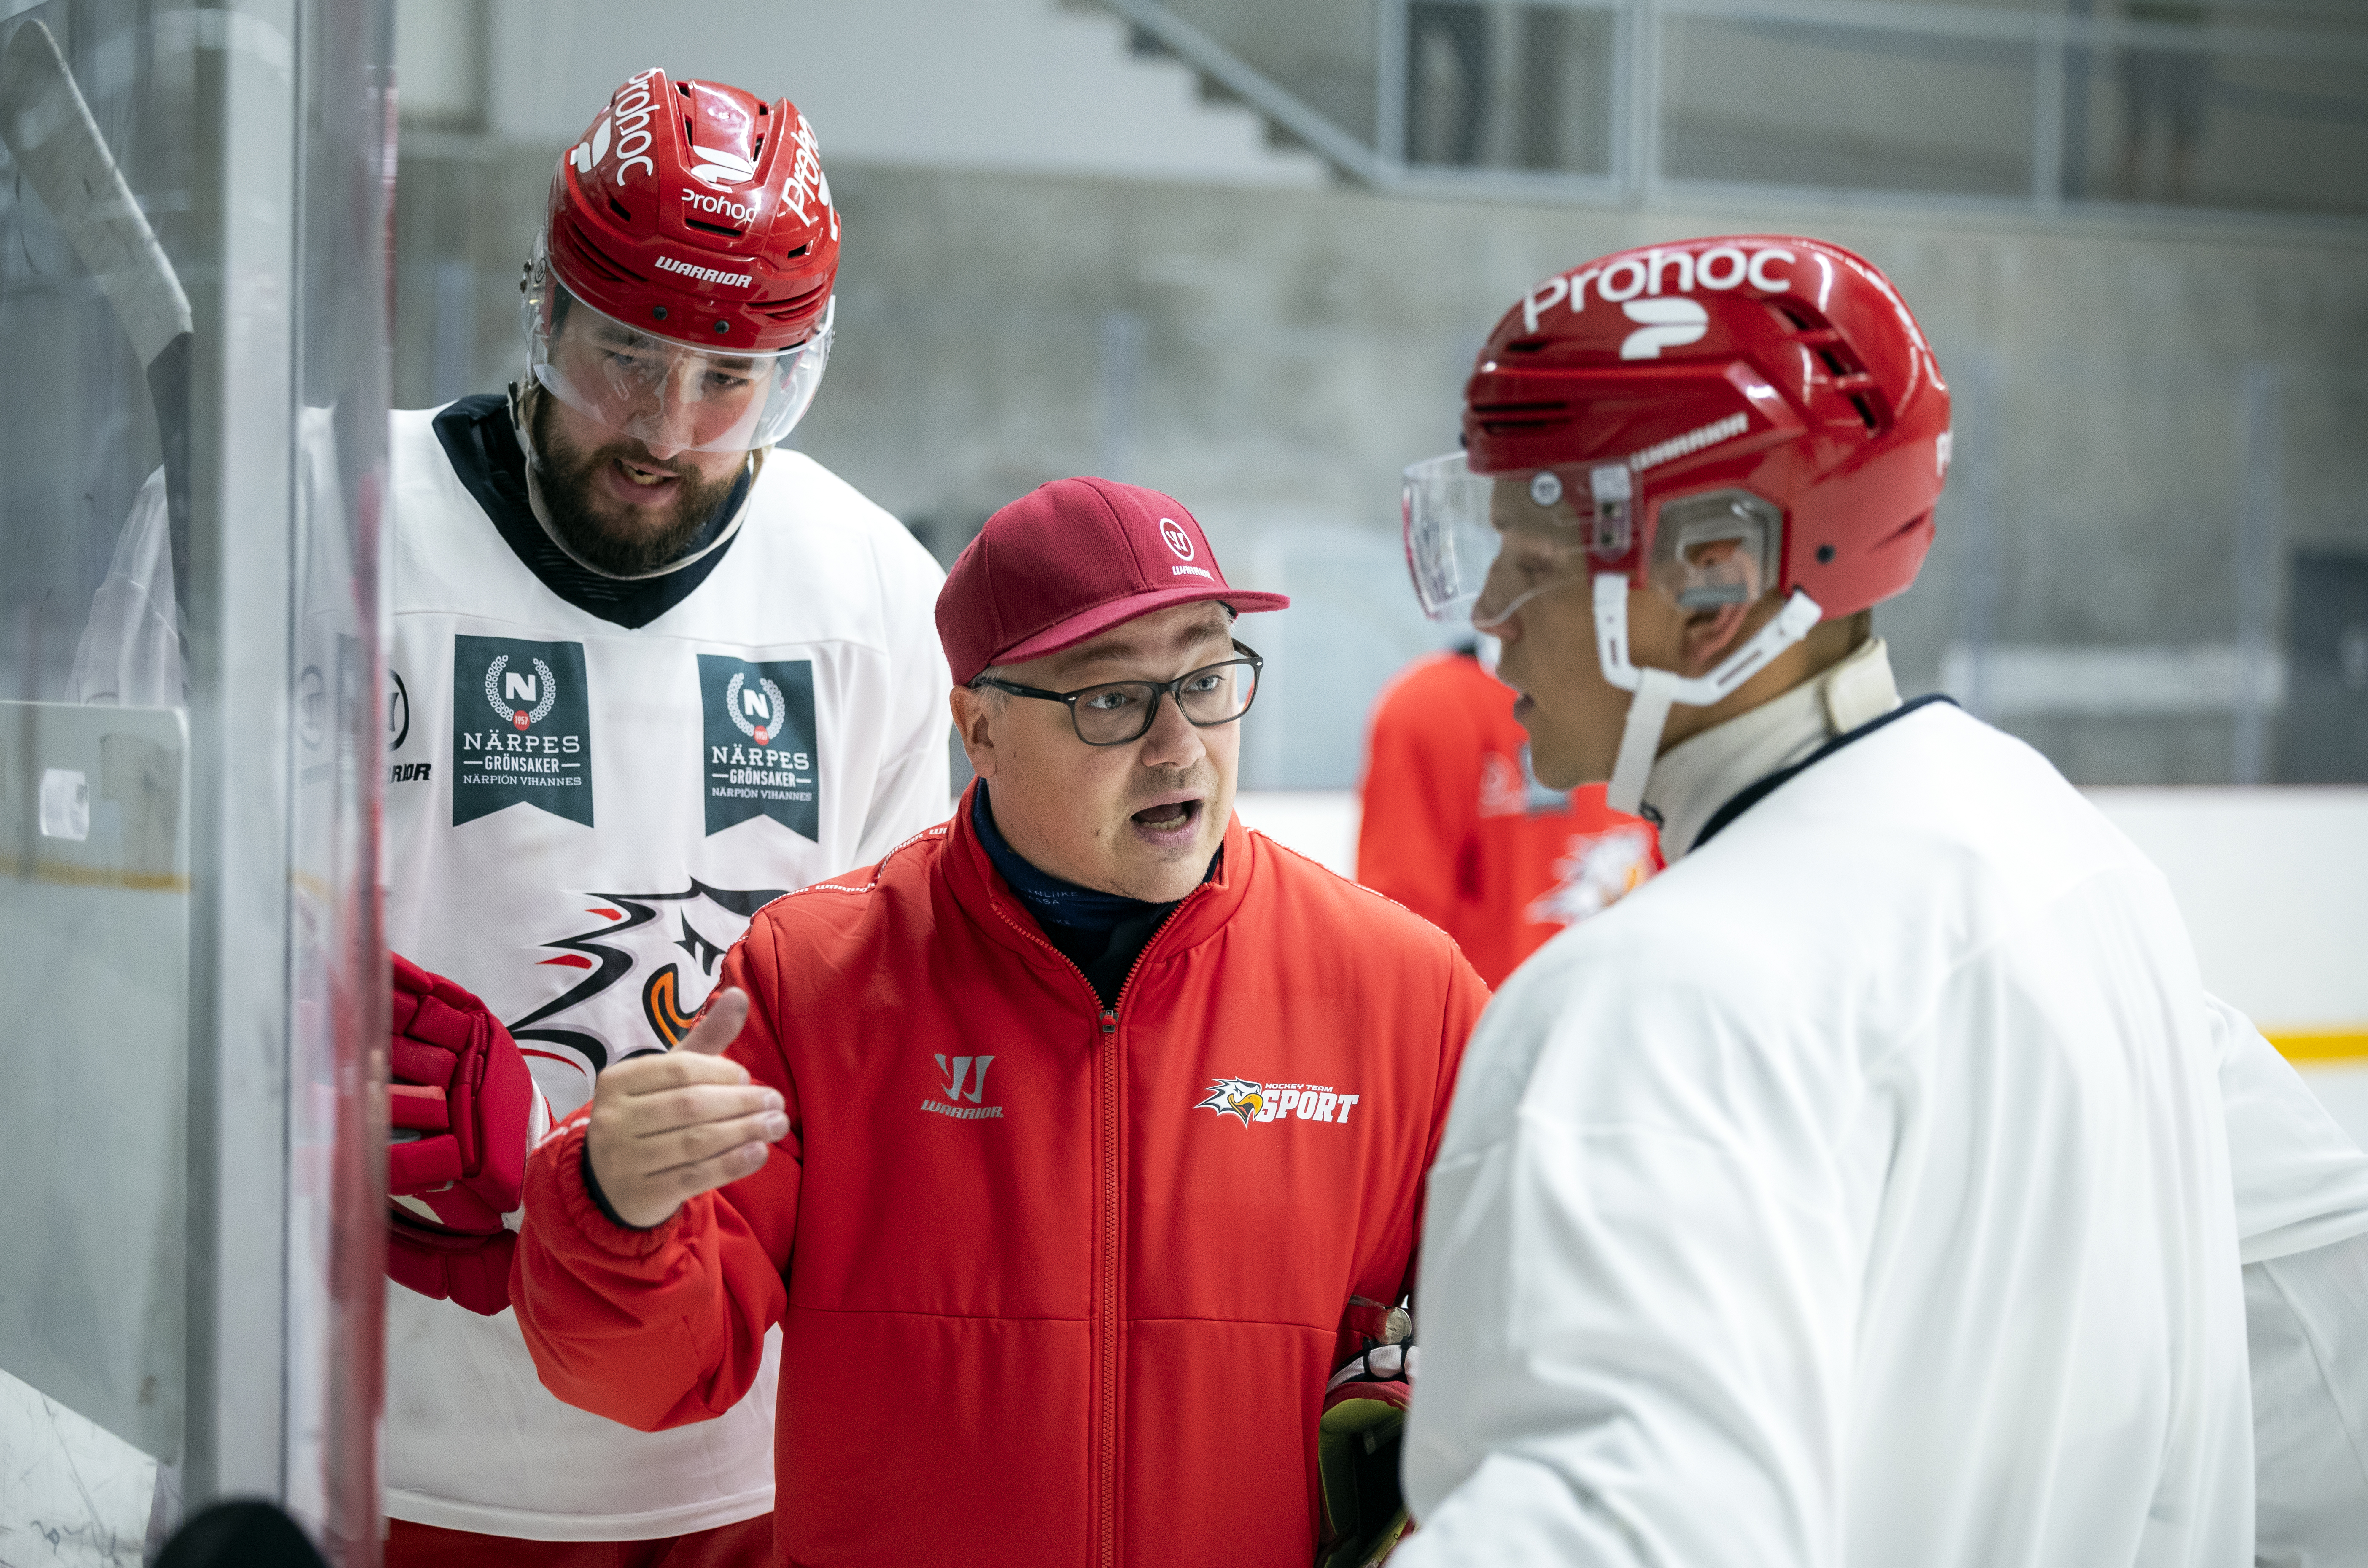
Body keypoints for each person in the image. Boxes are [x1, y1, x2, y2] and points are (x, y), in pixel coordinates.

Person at [62, 67, 951, 1565]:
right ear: (543, 309)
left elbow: (886, 1047)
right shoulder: (278, 520)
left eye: (732, 380)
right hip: (344, 1449)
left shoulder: (870, 596)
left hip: (723, 1460)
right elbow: (85, 952)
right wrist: (307, 1087)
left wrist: (568, 1175)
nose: (667, 428)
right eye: (625, 352)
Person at [1390, 234, 2368, 1565]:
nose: (1488, 610)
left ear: (1709, 581)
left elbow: (1605, 1527)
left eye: (1527, 555)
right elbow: (2321, 1346)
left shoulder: (1643, 1006)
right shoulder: (2061, 858)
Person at [508, 477, 1488, 1568]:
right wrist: (612, 1203)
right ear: (977, 725)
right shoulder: (811, 982)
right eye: (1109, 699)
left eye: (1206, 679)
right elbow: (651, 1372)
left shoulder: (1406, 993)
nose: (1176, 747)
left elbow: (1532, 1356)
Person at [1356, 640, 1657, 987]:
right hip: (1500, 1029)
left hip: (1630, 1013)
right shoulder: (1434, 707)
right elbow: (1399, 942)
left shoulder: (1661, 699)